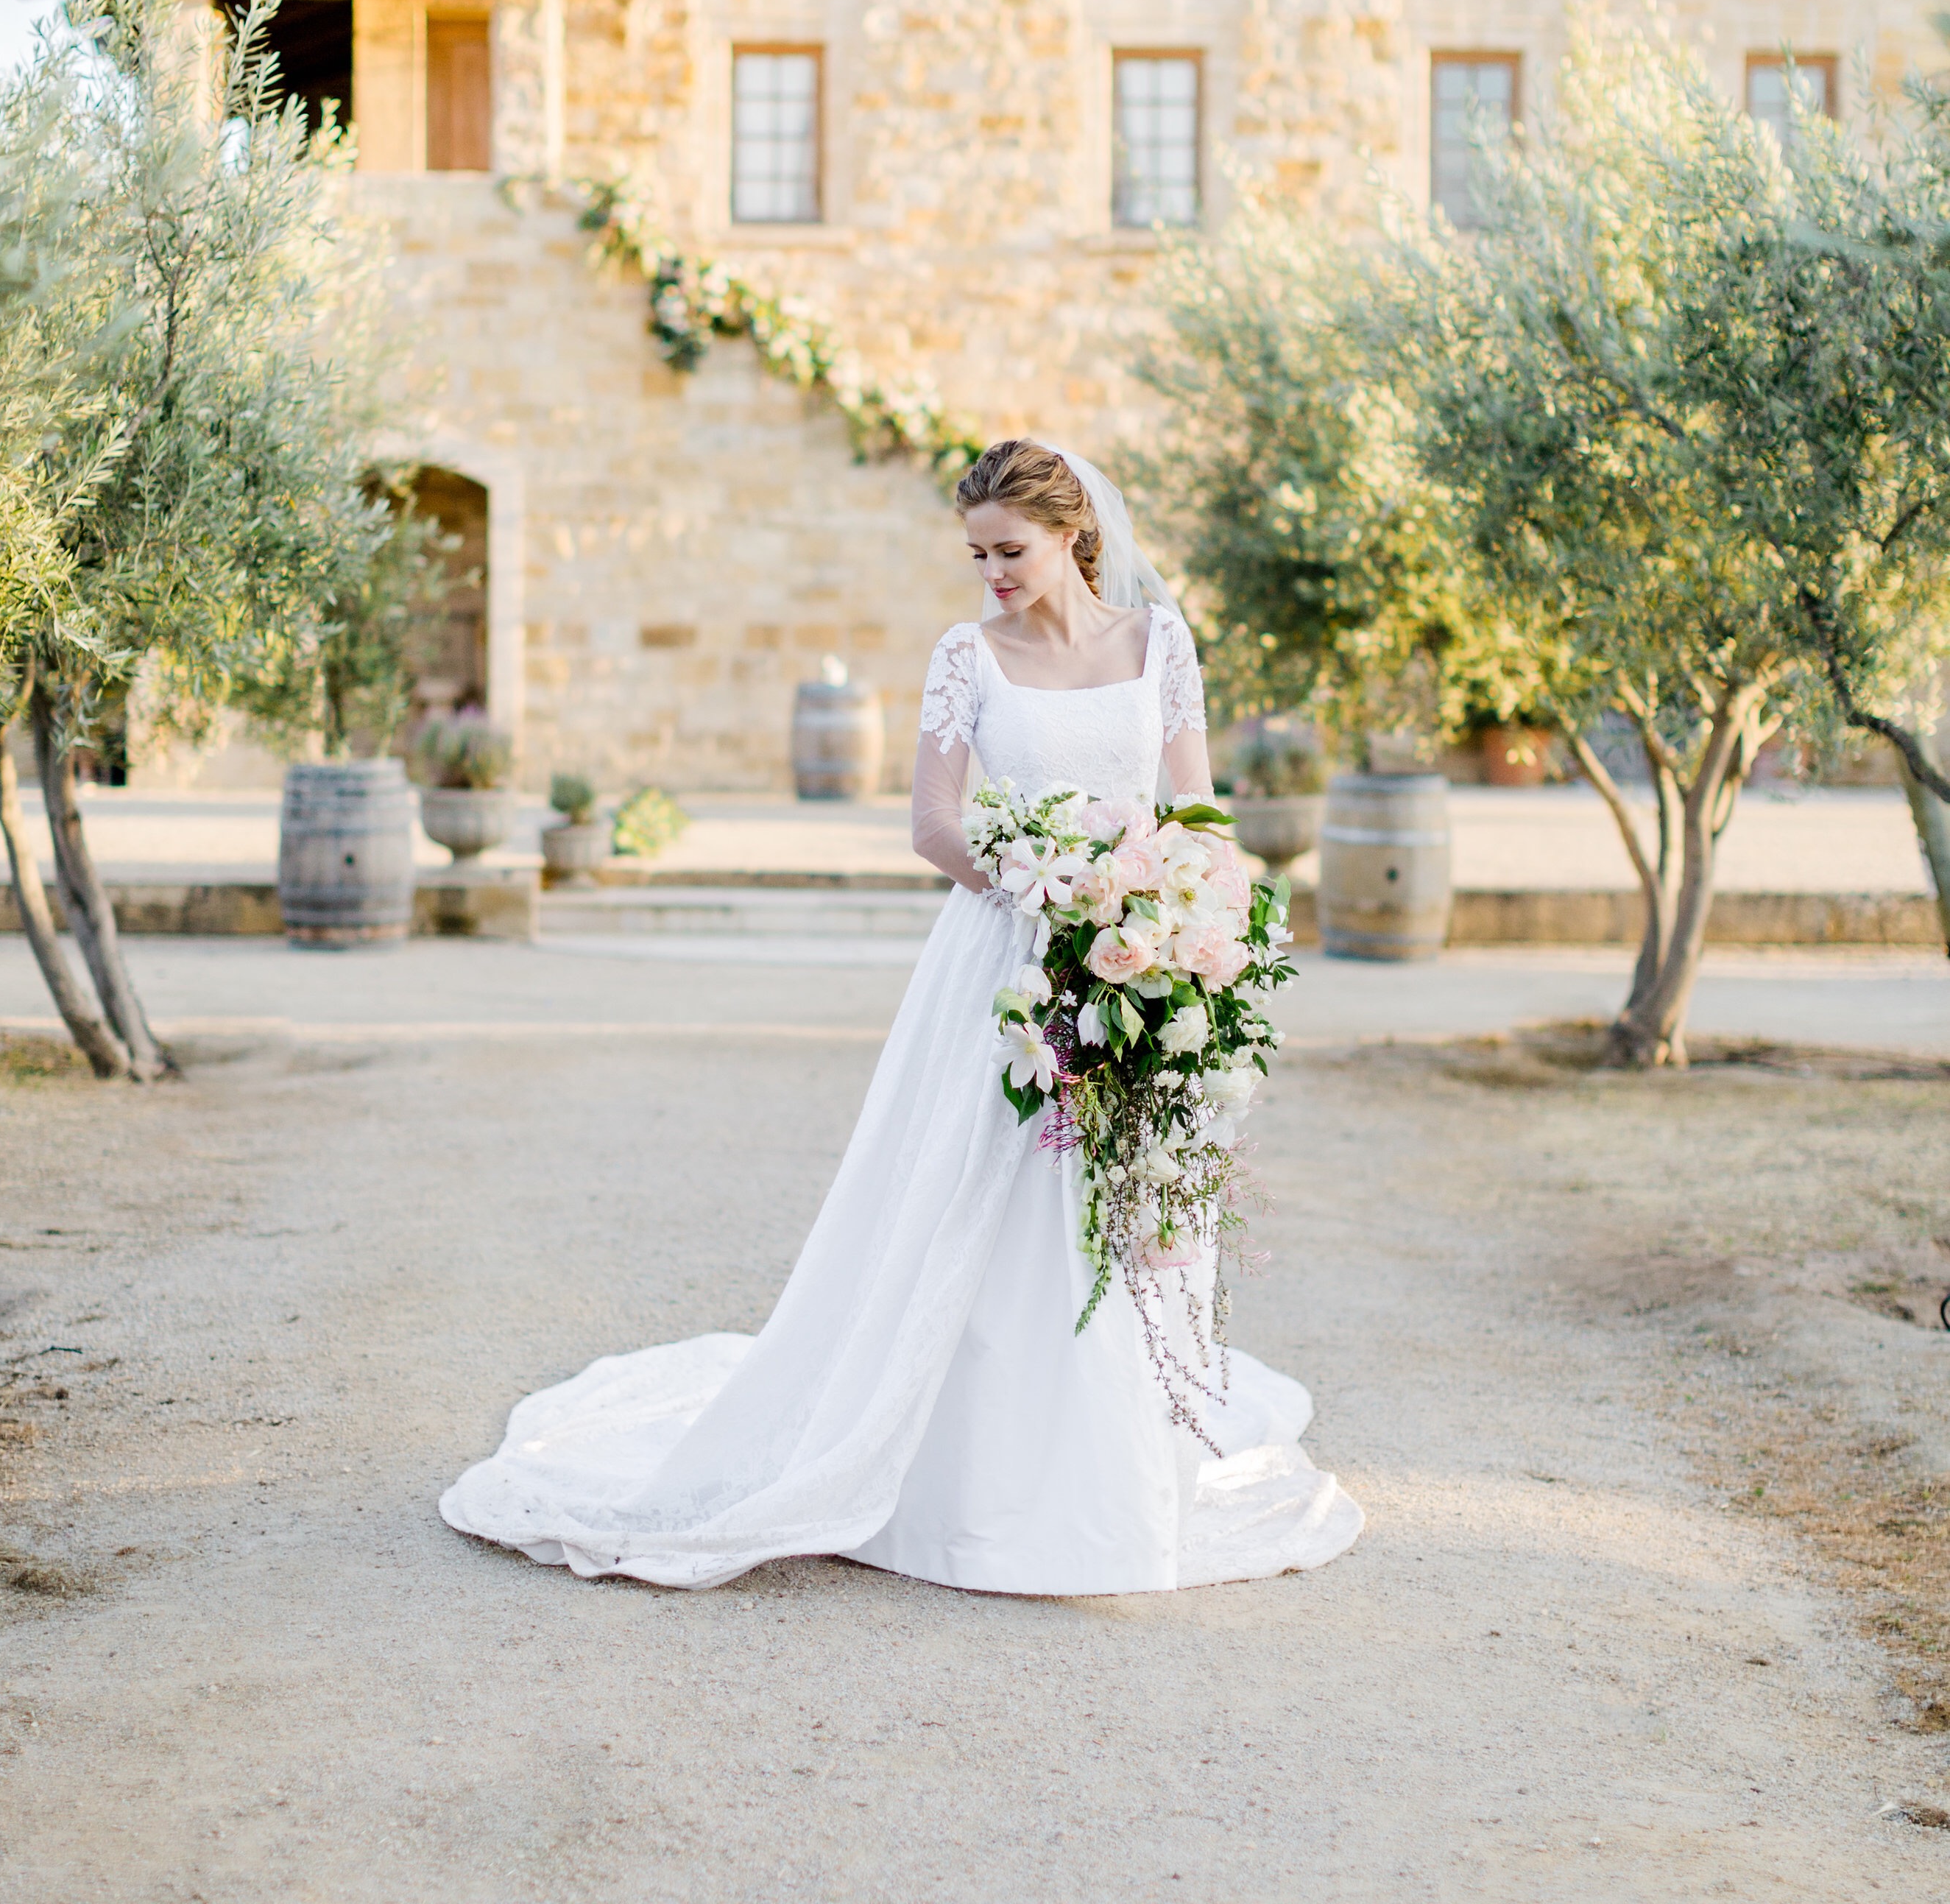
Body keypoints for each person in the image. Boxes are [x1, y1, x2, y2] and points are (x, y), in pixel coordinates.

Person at [440, 439, 1362, 1591]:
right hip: (1004, 959)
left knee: (1118, 1195)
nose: (993, 573)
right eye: (976, 554)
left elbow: (1194, 806)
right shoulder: (968, 655)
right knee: (977, 1193)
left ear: (1075, 535)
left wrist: (1180, 915)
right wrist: (1051, 883)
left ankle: (1113, 1480)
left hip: (1139, 957)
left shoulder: (1157, 645)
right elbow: (934, 823)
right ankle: (952, 1476)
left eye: (1010, 551)